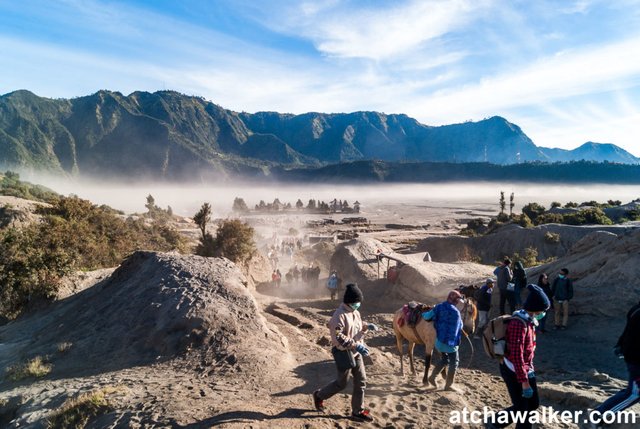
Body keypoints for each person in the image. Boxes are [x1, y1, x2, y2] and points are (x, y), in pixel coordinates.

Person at [485, 284, 550, 429]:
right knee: (524, 411)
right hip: (513, 369)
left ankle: (496, 421)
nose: (544, 313)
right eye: (544, 310)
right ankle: (495, 423)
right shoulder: (518, 324)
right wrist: (524, 382)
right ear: (536, 308)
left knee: (533, 404)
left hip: (526, 368)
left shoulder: (529, 320)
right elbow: (516, 355)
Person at [313, 283, 376, 422]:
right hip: (344, 354)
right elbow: (339, 336)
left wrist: (366, 326)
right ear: (350, 301)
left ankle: (357, 411)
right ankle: (319, 396)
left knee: (361, 381)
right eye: (356, 302)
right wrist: (355, 345)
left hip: (356, 353)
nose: (358, 304)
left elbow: (356, 326)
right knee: (342, 383)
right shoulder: (339, 316)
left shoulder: (355, 312)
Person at [585, 300, 640, 428]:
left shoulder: (636, 309)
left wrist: (620, 346)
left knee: (631, 391)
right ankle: (599, 416)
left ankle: (600, 412)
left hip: (632, 357)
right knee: (634, 394)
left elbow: (627, 332)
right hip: (636, 360)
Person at [421, 290, 465, 392]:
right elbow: (460, 327)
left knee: (445, 360)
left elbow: (426, 316)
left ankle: (432, 378)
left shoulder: (439, 306)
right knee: (454, 362)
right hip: (450, 344)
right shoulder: (456, 313)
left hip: (439, 342)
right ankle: (448, 385)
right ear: (456, 301)